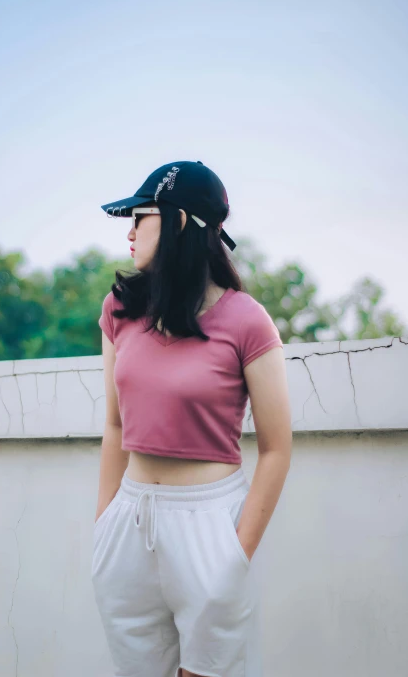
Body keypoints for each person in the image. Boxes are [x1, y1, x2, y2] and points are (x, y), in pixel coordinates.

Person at [92, 160, 292, 677]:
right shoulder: (120, 310)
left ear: (179, 221)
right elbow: (115, 425)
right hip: (129, 522)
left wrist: (236, 554)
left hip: (211, 524)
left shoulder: (246, 319)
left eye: (141, 217)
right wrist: (104, 520)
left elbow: (276, 448)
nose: (130, 233)